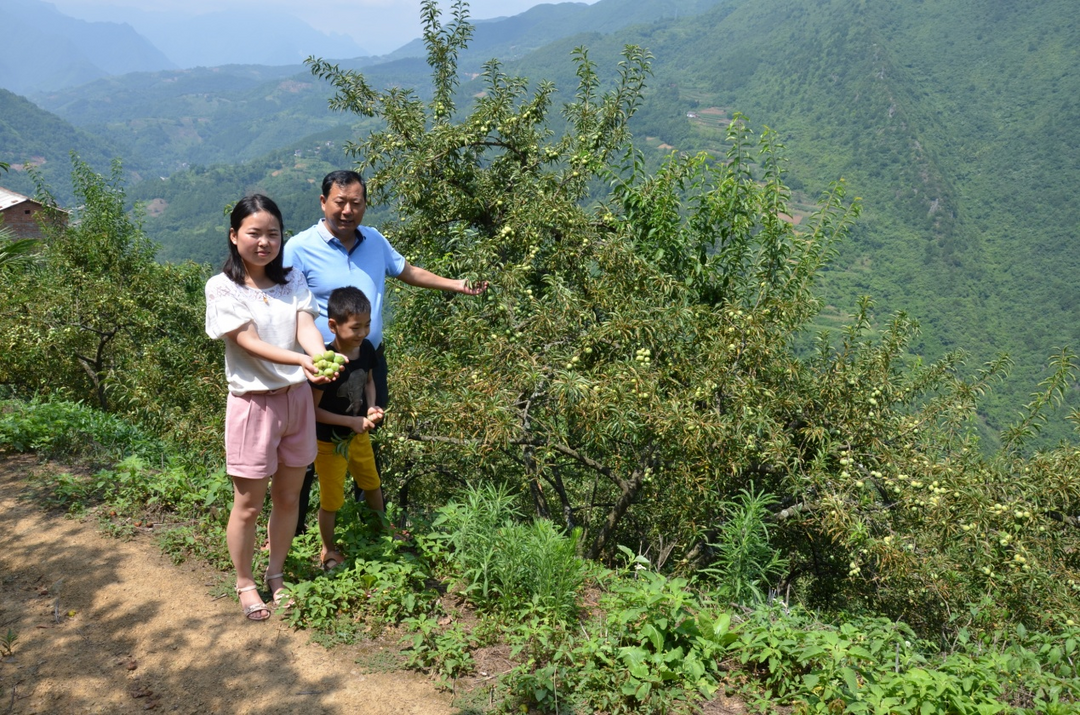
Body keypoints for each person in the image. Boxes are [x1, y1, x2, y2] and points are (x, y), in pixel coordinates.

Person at [283, 170, 488, 533]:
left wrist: (456, 285)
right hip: (320, 368)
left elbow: (407, 271)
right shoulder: (299, 248)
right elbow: (284, 305)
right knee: (305, 451)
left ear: (365, 205)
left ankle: (371, 527)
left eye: (356, 203)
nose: (347, 210)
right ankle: (291, 530)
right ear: (323, 202)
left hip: (369, 363)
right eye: (340, 202)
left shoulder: (374, 241)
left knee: (366, 439)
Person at [204, 194, 338, 621]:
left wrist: (319, 357)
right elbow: (248, 341)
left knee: (288, 497)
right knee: (248, 503)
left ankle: (276, 574)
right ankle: (245, 583)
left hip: (296, 400)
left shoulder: (293, 278)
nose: (264, 242)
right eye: (254, 233)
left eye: (273, 234)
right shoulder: (221, 287)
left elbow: (305, 327)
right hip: (253, 405)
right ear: (234, 236)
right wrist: (302, 360)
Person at [310, 286, 387, 570]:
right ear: (333, 325)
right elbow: (312, 411)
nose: (362, 333)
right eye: (355, 327)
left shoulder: (365, 349)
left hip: (358, 436)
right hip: (328, 443)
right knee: (331, 499)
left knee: (372, 484)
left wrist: (371, 406)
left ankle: (382, 531)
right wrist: (351, 422)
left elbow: (368, 380)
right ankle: (328, 549)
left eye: (367, 325)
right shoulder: (325, 363)